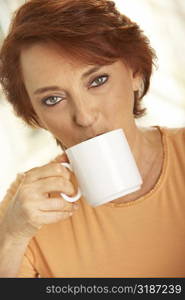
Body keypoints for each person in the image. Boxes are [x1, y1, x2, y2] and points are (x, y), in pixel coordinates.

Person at [0, 0, 184, 278]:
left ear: (134, 74)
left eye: (97, 81)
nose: (84, 116)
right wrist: (13, 237)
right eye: (53, 99)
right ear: (35, 116)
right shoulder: (24, 211)